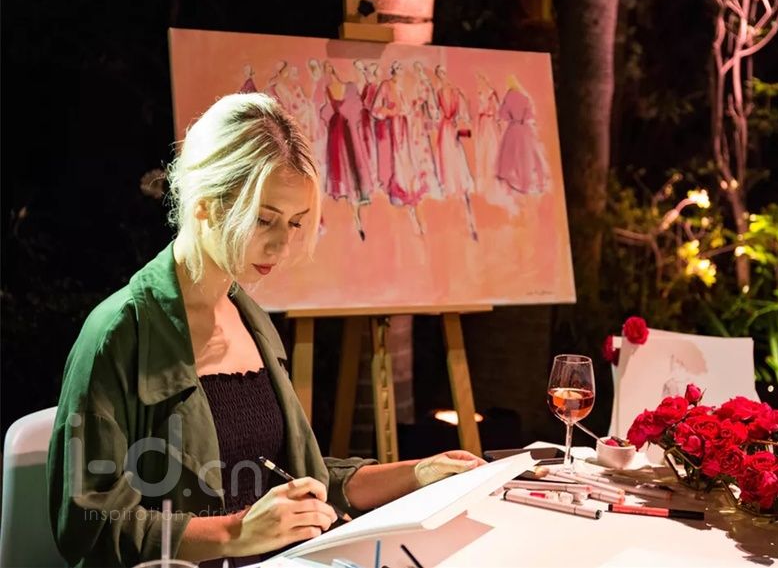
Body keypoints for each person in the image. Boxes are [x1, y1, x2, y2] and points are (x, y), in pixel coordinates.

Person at [47, 92, 484, 568]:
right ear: (204, 204)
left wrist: (417, 474)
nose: (281, 245)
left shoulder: (249, 318)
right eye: (264, 219)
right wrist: (234, 533)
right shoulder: (119, 333)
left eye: (295, 223)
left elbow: (298, 479)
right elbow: (88, 527)